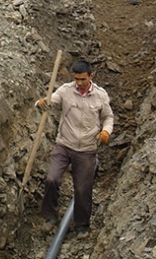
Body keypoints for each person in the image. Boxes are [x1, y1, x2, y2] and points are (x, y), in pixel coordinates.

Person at [36, 60, 114, 239]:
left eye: (82, 79)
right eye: (76, 79)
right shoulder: (65, 91)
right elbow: (51, 101)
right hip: (64, 144)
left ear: (91, 76)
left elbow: (108, 117)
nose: (79, 83)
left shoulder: (100, 96)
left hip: (86, 149)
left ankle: (81, 226)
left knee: (82, 189)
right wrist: (41, 103)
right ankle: (51, 217)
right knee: (52, 179)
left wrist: (105, 132)